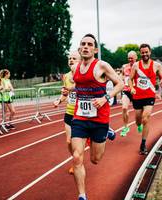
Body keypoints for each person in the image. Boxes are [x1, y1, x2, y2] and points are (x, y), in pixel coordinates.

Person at [70, 34, 124, 200]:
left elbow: (120, 83)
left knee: (95, 159)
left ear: (95, 49)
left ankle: (107, 131)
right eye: (83, 44)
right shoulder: (76, 68)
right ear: (80, 48)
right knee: (77, 156)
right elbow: (79, 86)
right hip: (80, 117)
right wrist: (69, 90)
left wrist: (105, 98)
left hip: (99, 119)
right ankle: (82, 195)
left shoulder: (101, 66)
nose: (86, 47)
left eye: (89, 44)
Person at [129, 43, 162, 155]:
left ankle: (143, 144)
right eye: (142, 52)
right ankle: (139, 126)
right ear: (140, 53)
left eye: (146, 52)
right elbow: (130, 79)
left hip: (149, 96)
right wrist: (132, 87)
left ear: (150, 52)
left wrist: (160, 86)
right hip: (137, 96)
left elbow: (161, 78)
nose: (144, 54)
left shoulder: (157, 65)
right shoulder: (136, 66)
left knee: (146, 118)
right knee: (138, 121)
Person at [53, 51, 81, 174]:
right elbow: (65, 93)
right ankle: (76, 160)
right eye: (69, 58)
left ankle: (77, 162)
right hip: (69, 112)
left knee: (78, 142)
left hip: (81, 113)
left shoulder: (83, 75)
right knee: (69, 141)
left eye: (74, 58)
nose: (71, 60)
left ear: (80, 60)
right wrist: (59, 100)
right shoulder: (66, 76)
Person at [120, 51, 138, 136]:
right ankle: (126, 127)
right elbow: (122, 76)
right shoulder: (124, 66)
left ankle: (139, 123)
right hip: (126, 90)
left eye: (132, 58)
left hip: (136, 91)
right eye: (129, 58)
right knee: (124, 108)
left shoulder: (139, 66)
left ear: (136, 57)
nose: (130, 59)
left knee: (138, 112)